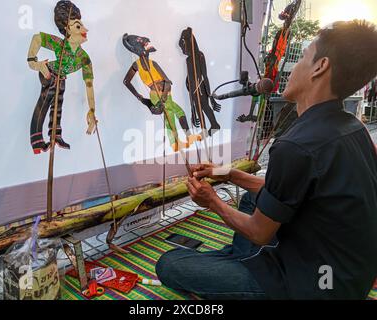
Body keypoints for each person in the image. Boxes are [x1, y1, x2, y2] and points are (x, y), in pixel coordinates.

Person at [156, 20, 377, 300]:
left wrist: (212, 201)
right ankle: (238, 266)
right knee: (251, 200)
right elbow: (290, 191)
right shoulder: (352, 126)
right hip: (348, 273)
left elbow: (259, 232)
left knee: (170, 264)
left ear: (320, 67)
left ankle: (240, 275)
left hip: (317, 286)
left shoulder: (297, 145)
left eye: (303, 59)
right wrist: (229, 174)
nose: (292, 68)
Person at [27, 0, 97, 154]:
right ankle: (36, 141)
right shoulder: (60, 44)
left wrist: (92, 110)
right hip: (49, 73)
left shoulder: (83, 57)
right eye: (78, 26)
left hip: (61, 77)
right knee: (46, 101)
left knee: (58, 105)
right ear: (67, 29)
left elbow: (89, 84)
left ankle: (55, 135)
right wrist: (35, 63)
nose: (85, 29)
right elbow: (37, 38)